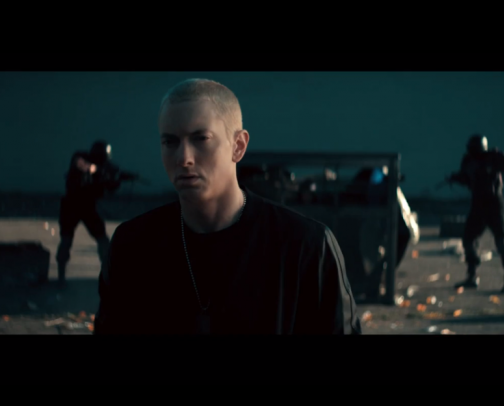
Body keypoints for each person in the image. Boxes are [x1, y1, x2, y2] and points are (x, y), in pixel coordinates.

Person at [93, 78, 361, 334]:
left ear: (238, 146)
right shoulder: (132, 246)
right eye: (170, 142)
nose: (183, 158)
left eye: (200, 139)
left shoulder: (306, 247)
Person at [55, 140, 138, 286]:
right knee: (66, 240)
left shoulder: (103, 169)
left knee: (103, 240)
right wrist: (105, 172)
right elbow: (87, 167)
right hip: (71, 206)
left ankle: (107, 274)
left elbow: (109, 187)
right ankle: (61, 275)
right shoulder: (80, 158)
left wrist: (117, 179)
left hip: (87, 207)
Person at [446, 134, 504, 295]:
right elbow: (466, 178)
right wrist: (455, 178)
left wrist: (498, 157)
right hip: (478, 204)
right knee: (468, 240)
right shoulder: (468, 161)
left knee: (501, 242)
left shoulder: (492, 157)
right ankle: (472, 276)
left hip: (494, 204)